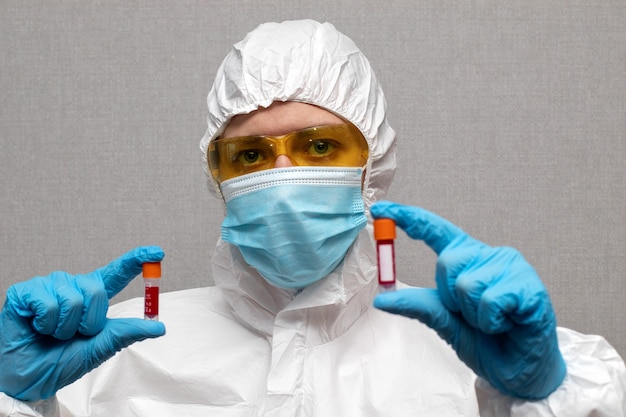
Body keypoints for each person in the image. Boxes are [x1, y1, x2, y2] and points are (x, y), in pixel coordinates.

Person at [0, 19, 624, 417]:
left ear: (371, 164)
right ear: (217, 177)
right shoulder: (106, 357)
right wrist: (12, 395)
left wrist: (542, 395)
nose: (282, 174)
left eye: (319, 146)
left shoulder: (479, 357)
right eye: (250, 154)